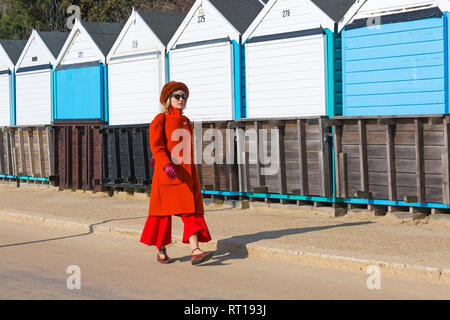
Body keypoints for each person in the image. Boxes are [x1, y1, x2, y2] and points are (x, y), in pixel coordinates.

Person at [140, 81, 213, 265]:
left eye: (184, 97)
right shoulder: (160, 119)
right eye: (177, 96)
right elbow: (157, 145)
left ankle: (195, 250)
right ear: (168, 99)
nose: (181, 99)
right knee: (161, 215)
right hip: (167, 174)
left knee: (191, 211)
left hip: (186, 174)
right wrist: (164, 163)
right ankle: (161, 249)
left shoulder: (186, 121)